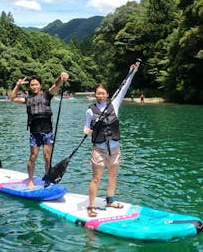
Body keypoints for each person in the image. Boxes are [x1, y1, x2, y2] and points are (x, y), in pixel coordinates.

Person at [83, 60, 140, 217]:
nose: (100, 95)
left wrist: (132, 72)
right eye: (98, 93)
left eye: (103, 93)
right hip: (99, 150)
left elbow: (124, 87)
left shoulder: (115, 104)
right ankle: (91, 206)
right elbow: (86, 127)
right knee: (96, 178)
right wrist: (86, 131)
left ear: (107, 94)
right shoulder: (90, 111)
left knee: (112, 176)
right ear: (95, 95)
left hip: (114, 149)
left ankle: (110, 200)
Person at [11, 72, 70, 189]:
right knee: (33, 157)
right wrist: (17, 85)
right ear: (30, 87)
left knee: (47, 157)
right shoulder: (27, 99)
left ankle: (48, 179)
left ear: (40, 85)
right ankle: (31, 181)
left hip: (47, 131)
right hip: (34, 132)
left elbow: (55, 85)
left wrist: (60, 78)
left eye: (36, 84)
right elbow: (12, 98)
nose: (34, 87)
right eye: (32, 85)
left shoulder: (47, 95)